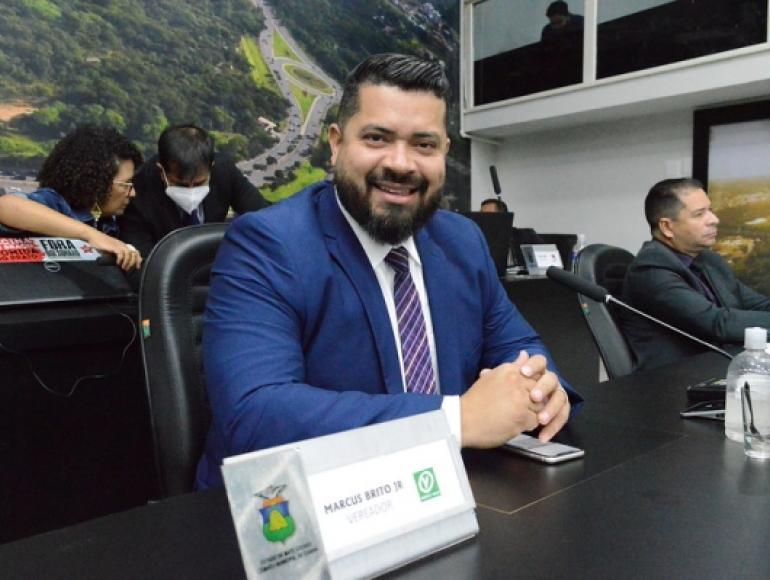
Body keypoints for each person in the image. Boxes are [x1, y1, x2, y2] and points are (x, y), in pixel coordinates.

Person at [197, 53, 581, 489]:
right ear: (336, 143)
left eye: (424, 145)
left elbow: (518, 346)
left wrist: (543, 391)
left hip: (448, 491)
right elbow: (254, 415)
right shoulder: (268, 244)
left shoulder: (462, 241)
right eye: (377, 138)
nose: (401, 164)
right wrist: (455, 420)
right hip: (298, 504)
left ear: (444, 152)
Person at [621, 178, 770, 371]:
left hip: (721, 364)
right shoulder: (649, 270)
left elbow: (757, 304)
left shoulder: (708, 259)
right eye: (699, 214)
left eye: (710, 210)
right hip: (677, 378)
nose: (714, 219)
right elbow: (717, 324)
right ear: (667, 227)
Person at [118, 124, 269, 260]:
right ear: (161, 171)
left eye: (199, 183)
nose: (191, 192)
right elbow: (142, 262)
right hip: (165, 271)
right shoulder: (137, 192)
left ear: (211, 167)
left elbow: (263, 217)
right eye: (181, 185)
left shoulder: (224, 170)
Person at [0, 126, 142, 271]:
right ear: (95, 182)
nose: (132, 193)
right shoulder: (55, 203)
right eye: (126, 184)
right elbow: (7, 206)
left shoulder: (110, 220)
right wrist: (93, 235)